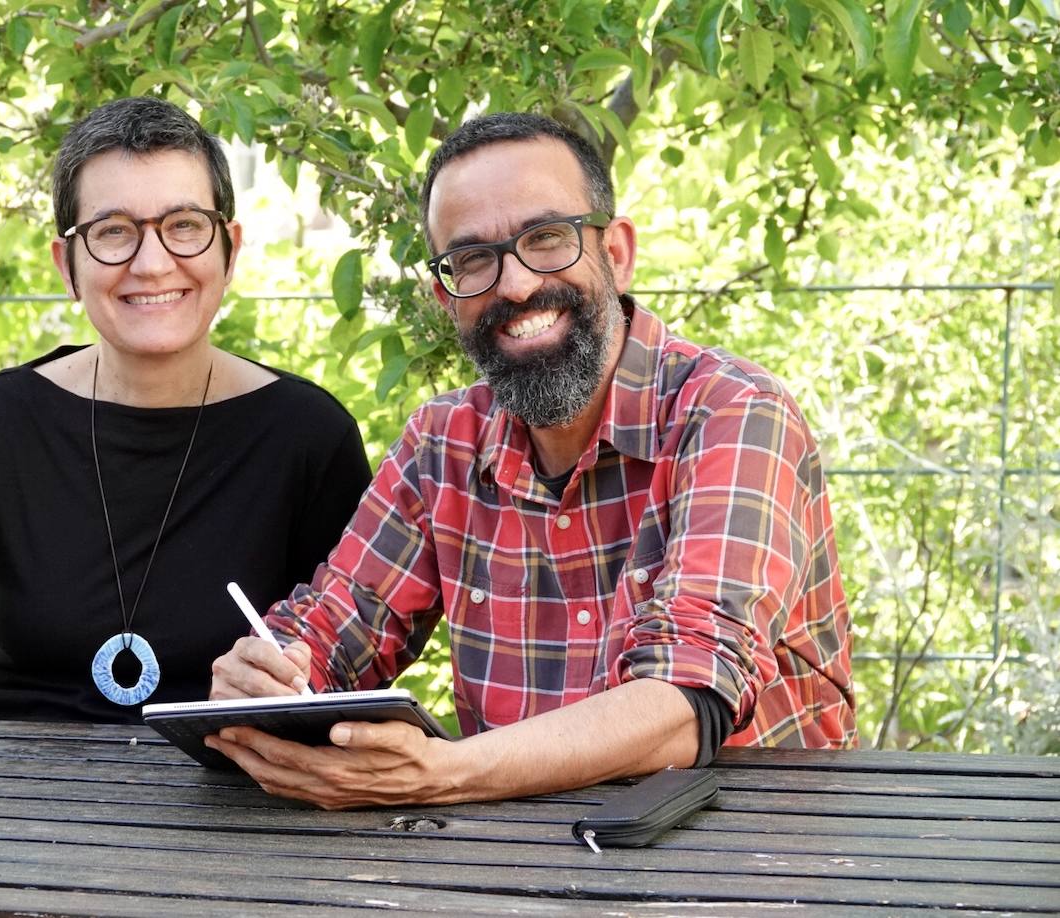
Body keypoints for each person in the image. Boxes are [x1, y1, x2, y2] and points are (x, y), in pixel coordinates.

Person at [208, 112, 856, 809]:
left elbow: (688, 697)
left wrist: (439, 773)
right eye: (474, 259)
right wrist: (266, 676)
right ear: (444, 294)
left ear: (617, 250)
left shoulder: (733, 413)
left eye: (545, 239)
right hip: (518, 852)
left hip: (753, 857)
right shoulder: (442, 442)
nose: (513, 286)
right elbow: (336, 629)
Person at [0, 97, 372, 793]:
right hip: (6, 803)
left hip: (230, 812)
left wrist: (297, 681)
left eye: (184, 226)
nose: (152, 261)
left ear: (230, 248)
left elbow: (351, 667)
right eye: (112, 232)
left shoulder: (308, 436)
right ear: (66, 263)